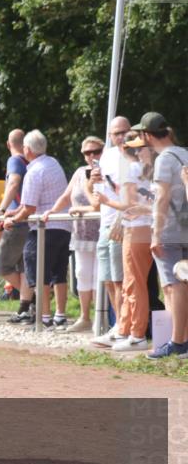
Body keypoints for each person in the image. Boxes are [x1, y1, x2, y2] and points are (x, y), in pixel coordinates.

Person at [91, 132, 156, 351]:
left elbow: (128, 204)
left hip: (135, 230)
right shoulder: (146, 169)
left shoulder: (132, 169)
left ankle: (136, 335)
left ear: (124, 149)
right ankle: (125, 330)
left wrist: (106, 200)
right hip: (143, 228)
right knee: (131, 284)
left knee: (134, 284)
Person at [132, 112, 188, 359]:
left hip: (170, 231)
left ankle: (177, 342)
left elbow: (162, 197)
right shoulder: (184, 153)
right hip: (185, 229)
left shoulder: (164, 159)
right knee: (183, 283)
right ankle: (182, 340)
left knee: (172, 286)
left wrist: (156, 233)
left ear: (147, 135)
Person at [4, 130, 71, 329]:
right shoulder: (54, 164)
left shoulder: (34, 171)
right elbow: (31, 204)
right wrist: (15, 212)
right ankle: (60, 315)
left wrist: (12, 219)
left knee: (38, 273)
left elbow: (29, 208)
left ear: (28, 149)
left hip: (44, 229)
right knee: (59, 272)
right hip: (62, 226)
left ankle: (45, 317)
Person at [39, 136, 103, 333]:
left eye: (96, 151)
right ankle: (85, 317)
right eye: (87, 152)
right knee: (82, 274)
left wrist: (79, 209)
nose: (92, 155)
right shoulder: (79, 173)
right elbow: (67, 196)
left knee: (99, 276)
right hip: (81, 232)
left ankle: (100, 317)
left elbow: (99, 204)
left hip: (101, 231)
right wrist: (52, 210)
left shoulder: (105, 172)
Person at [88, 116, 131, 342]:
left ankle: (125, 327)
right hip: (105, 222)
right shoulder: (107, 156)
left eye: (124, 131)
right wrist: (92, 180)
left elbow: (133, 194)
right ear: (110, 136)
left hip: (123, 222)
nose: (121, 136)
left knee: (119, 279)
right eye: (117, 133)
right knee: (107, 278)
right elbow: (95, 199)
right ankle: (118, 325)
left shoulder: (133, 155)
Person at [0, 129, 34, 323]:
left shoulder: (14, 160)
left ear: (9, 145)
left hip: (16, 221)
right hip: (28, 219)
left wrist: (0, 209)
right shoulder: (30, 161)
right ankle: (27, 305)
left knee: (2, 266)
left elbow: (14, 183)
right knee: (24, 267)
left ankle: (33, 298)